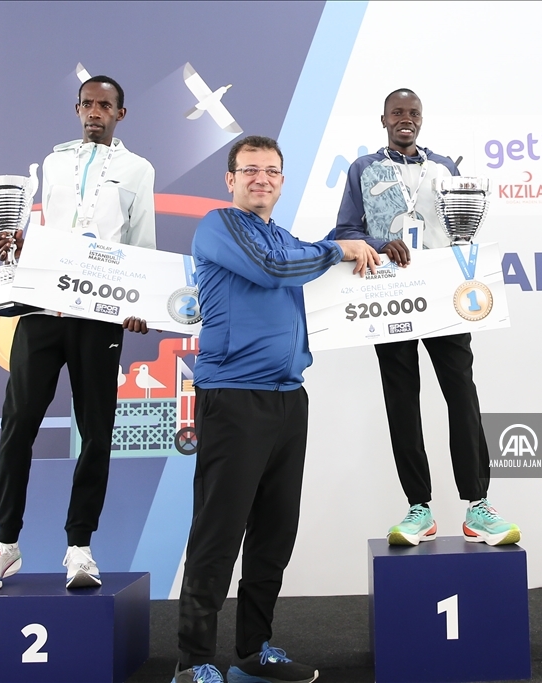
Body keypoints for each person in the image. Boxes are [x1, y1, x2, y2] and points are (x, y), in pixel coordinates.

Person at [173, 135, 378, 683]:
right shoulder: (218, 225)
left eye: (271, 170)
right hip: (233, 396)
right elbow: (271, 268)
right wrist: (337, 250)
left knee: (274, 534)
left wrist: (366, 244)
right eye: (250, 170)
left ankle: (254, 651)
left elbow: (302, 253)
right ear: (230, 179)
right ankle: (193, 662)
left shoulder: (284, 238)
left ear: (282, 182)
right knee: (219, 533)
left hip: (288, 398)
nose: (261, 178)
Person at [0, 75, 155, 590]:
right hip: (43, 308)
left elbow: (142, 244)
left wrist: (138, 302)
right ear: (77, 109)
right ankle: (5, 544)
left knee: (96, 431)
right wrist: (17, 243)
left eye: (105, 105)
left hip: (98, 315)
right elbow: (45, 230)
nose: (95, 112)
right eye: (87, 104)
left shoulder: (138, 170)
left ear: (120, 114)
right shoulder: (53, 163)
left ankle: (80, 547)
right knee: (18, 424)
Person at [335, 89, 520, 547]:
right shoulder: (363, 169)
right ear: (383, 120)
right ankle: (419, 507)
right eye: (397, 112)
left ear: (421, 119)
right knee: (402, 400)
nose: (406, 119)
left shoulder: (445, 168)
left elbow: (462, 229)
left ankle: (478, 505)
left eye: (413, 113)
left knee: (462, 395)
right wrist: (379, 245)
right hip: (389, 295)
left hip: (443, 295)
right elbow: (346, 231)